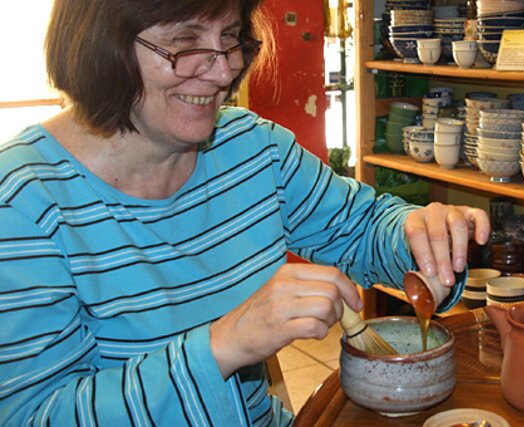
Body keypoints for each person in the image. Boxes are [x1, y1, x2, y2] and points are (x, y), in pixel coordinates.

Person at [0, 0, 490, 425]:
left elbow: (359, 227)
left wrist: (418, 234)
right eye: (185, 42)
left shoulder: (251, 147)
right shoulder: (22, 204)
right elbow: (34, 414)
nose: (222, 72)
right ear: (99, 46)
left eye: (229, 39)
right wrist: (225, 344)